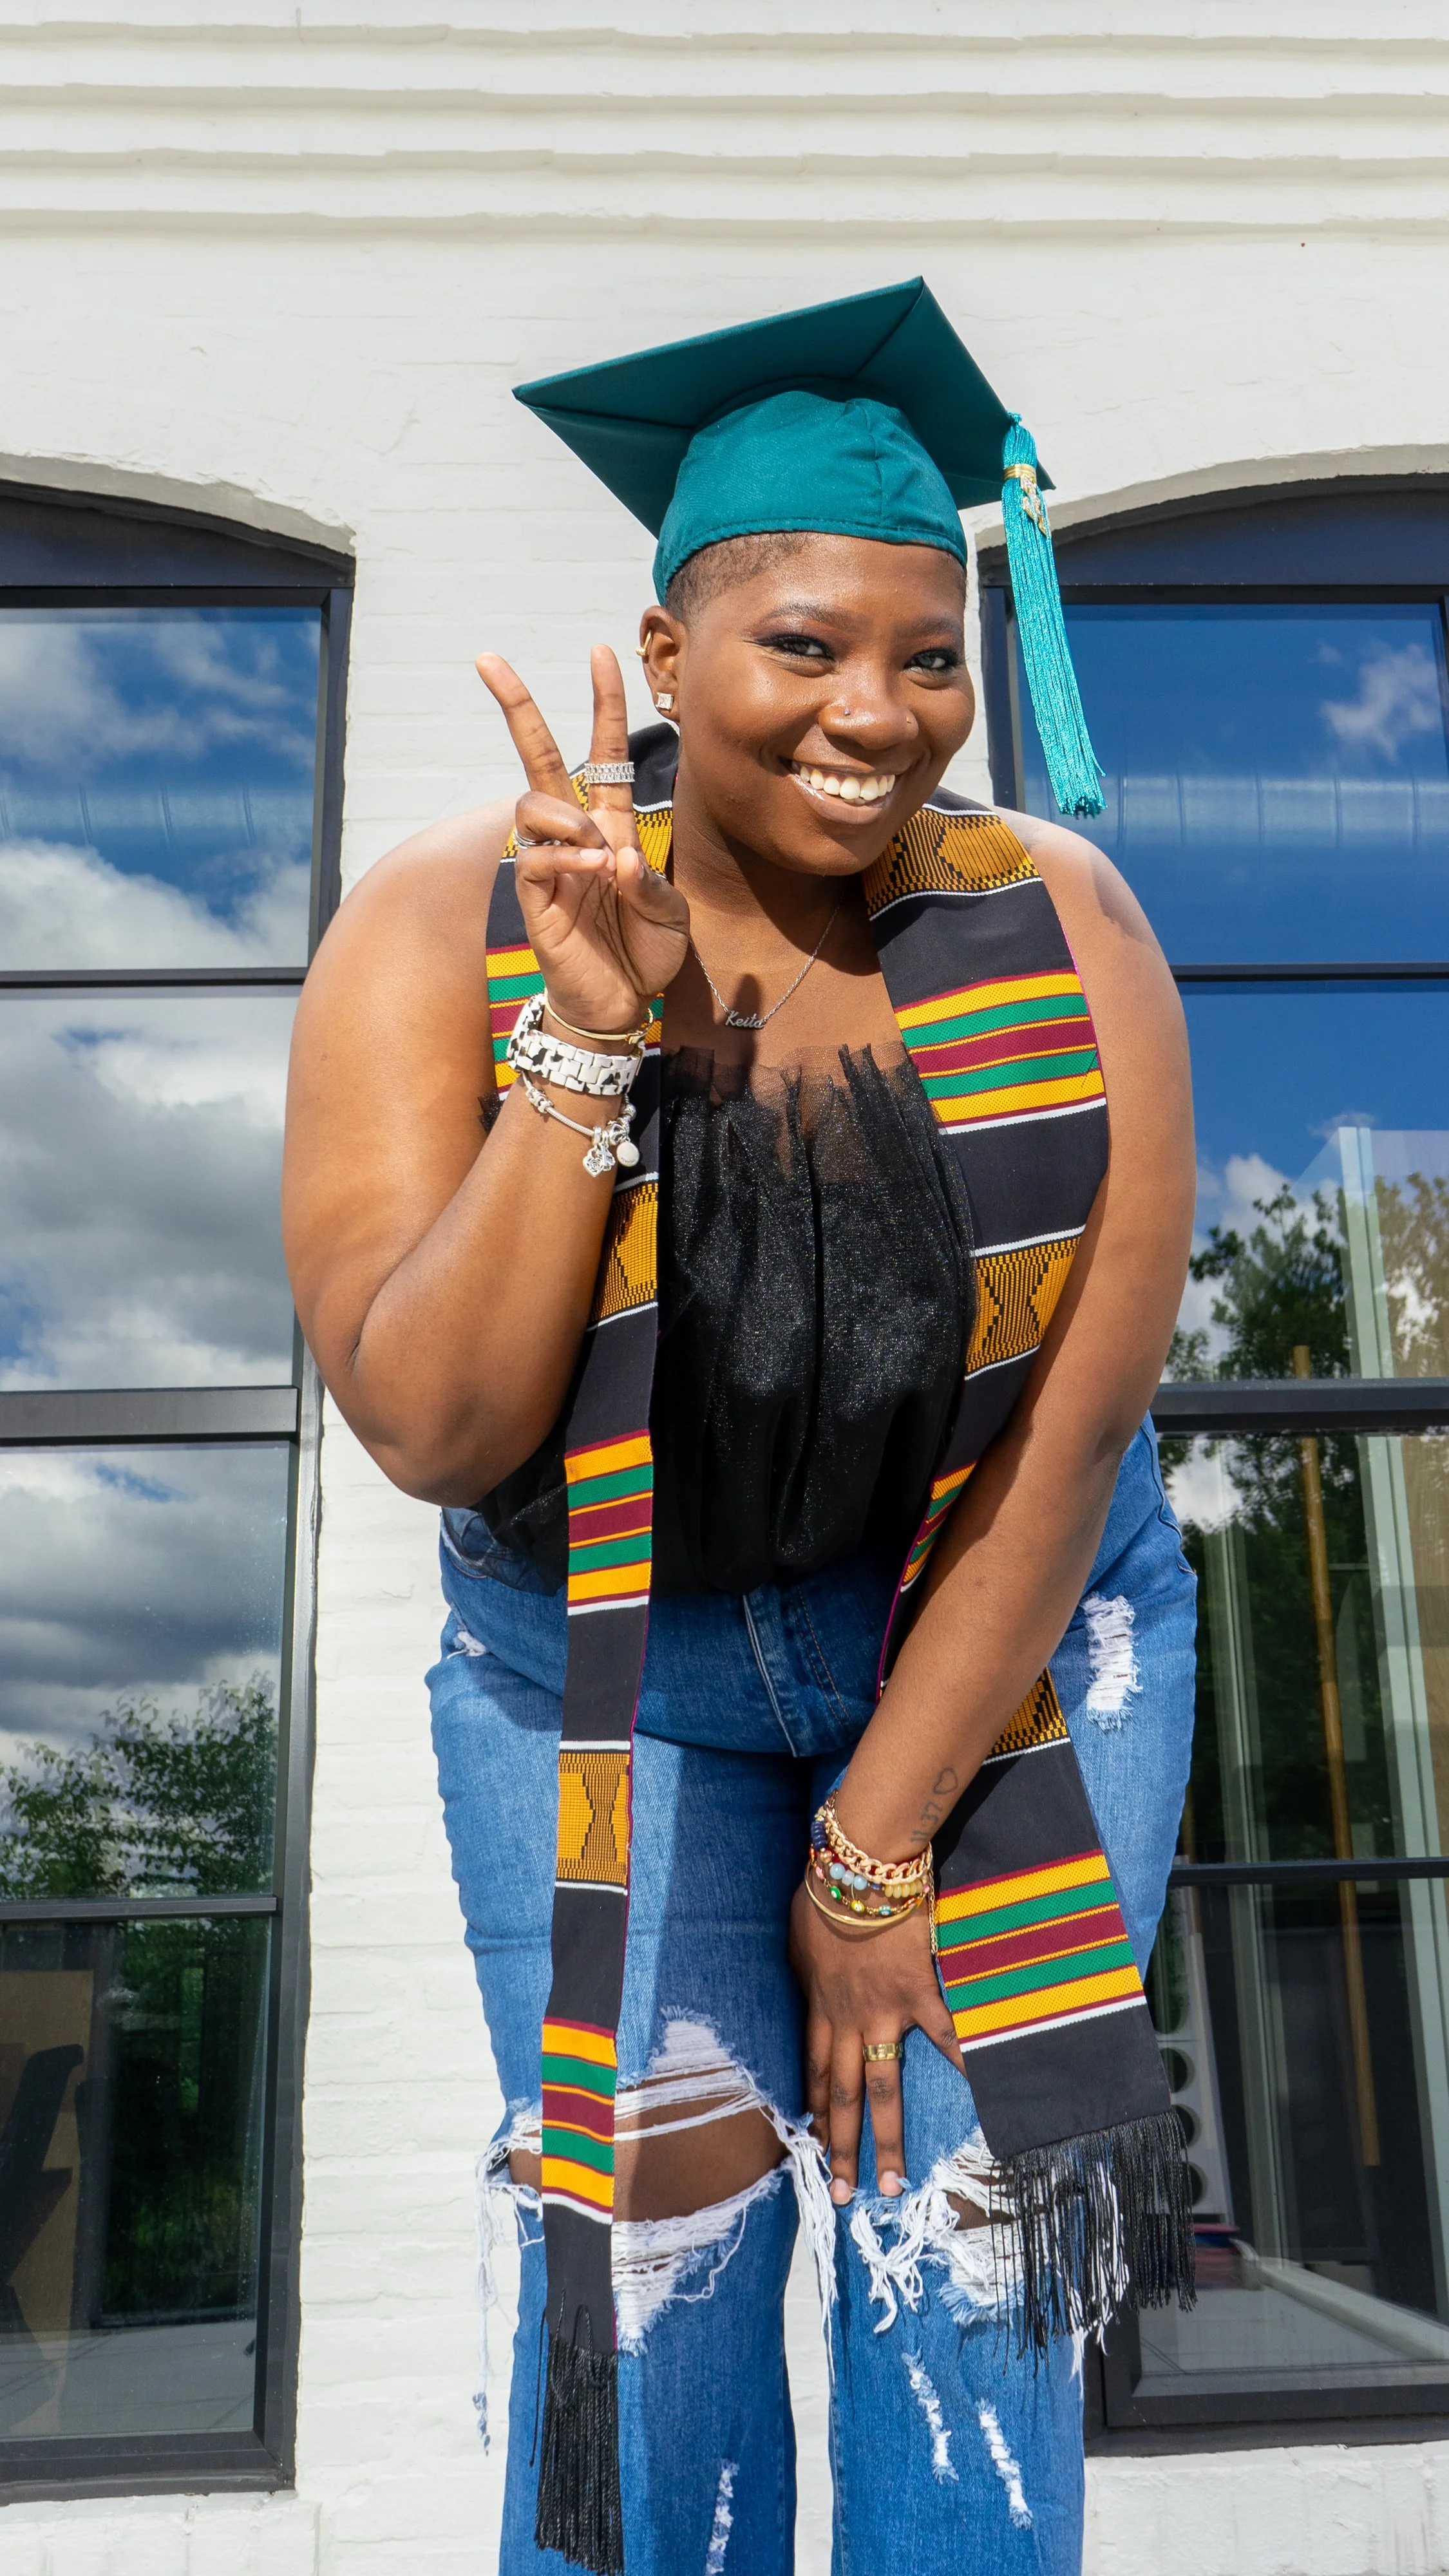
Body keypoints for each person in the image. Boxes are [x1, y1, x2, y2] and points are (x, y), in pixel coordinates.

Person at [283, 279, 1197, 2576]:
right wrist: (583, 1050)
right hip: (610, 1685)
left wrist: (878, 1857)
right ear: (667, 653)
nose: (875, 716)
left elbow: (1074, 1438)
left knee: (960, 2264)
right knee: (652, 2271)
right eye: (803, 646)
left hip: (1006, 1660)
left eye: (925, 654)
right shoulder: (439, 928)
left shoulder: (1061, 921)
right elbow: (432, 1419)